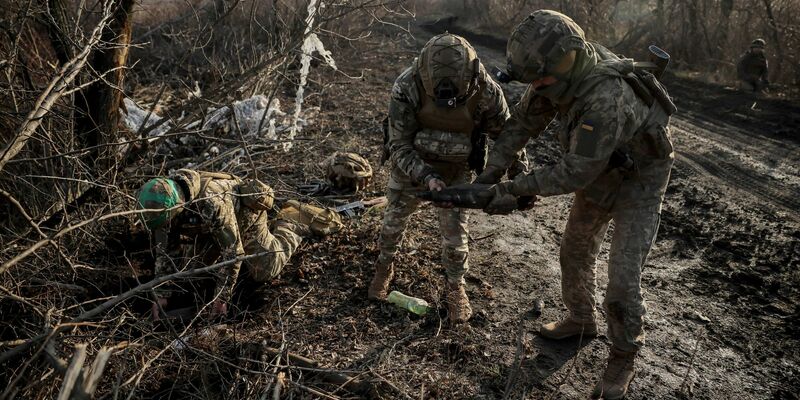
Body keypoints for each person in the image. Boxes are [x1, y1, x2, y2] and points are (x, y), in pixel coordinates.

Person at [476, 10, 676, 399]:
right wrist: (489, 174)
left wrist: (511, 190)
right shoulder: (556, 74)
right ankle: (581, 320)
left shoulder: (606, 96)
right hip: (602, 167)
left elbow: (573, 173)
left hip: (640, 180)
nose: (538, 85)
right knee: (575, 250)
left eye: (541, 78)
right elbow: (521, 124)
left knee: (622, 277)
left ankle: (623, 355)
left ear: (566, 61)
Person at [369, 33, 527, 323]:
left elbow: (507, 138)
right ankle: (384, 268)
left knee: (455, 239)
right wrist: (426, 176)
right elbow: (398, 144)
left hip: (457, 169)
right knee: (391, 225)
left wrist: (521, 178)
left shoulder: (486, 90)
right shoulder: (408, 85)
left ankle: (456, 288)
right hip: (412, 165)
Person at [137, 169, 342, 320]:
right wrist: (162, 295)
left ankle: (291, 220)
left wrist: (221, 298)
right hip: (208, 227)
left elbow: (234, 253)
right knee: (192, 272)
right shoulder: (160, 202)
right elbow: (166, 251)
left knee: (265, 270)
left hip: (244, 217)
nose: (165, 226)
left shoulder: (211, 202)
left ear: (178, 208)